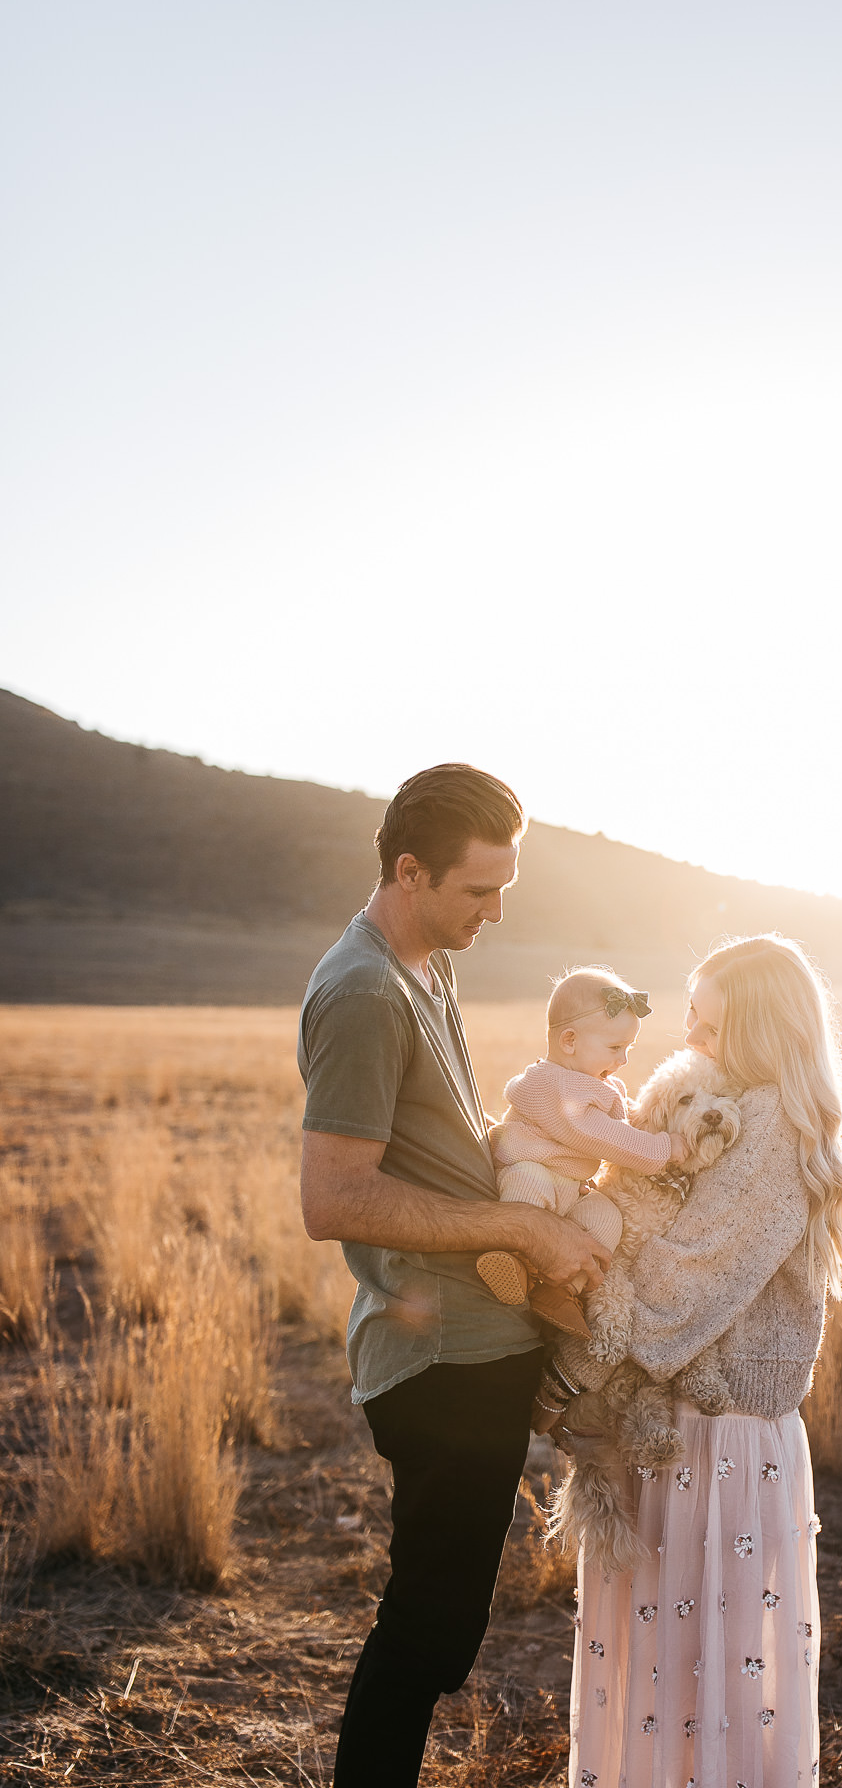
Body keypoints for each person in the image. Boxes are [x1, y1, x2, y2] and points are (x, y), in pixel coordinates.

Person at [297, 764, 613, 1788]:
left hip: (482, 1340)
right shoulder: (360, 993)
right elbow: (334, 1198)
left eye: (504, 888)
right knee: (429, 1632)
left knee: (442, 1624)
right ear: (408, 869)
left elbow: (437, 1149)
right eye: (478, 891)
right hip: (436, 1355)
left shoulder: (430, 963)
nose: (496, 911)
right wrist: (522, 1225)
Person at [556, 934, 842, 1788]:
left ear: (762, 1035)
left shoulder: (768, 1128)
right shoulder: (748, 1110)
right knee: (692, 1680)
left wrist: (575, 1334)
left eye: (709, 1025)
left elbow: (683, 1278)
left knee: (696, 1681)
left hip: (711, 1444)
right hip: (700, 1436)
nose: (688, 1038)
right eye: (688, 1017)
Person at [477, 966, 689, 1339]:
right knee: (528, 1189)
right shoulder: (549, 1084)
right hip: (531, 1170)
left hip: (570, 1190)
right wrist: (663, 1148)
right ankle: (509, 1260)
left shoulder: (590, 1082)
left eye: (627, 1049)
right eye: (614, 1048)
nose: (622, 1060)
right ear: (570, 1041)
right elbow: (603, 1135)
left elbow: (620, 1122)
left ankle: (562, 1289)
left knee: (607, 1218)